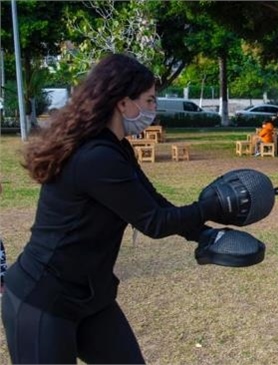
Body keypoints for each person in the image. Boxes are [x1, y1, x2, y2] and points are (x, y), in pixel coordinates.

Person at [0, 53, 239, 364]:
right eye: (150, 100)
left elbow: (153, 202)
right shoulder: (95, 156)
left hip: (92, 298)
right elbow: (154, 222)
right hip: (42, 302)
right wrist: (211, 206)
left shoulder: (116, 147)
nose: (154, 109)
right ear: (123, 103)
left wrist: (204, 234)